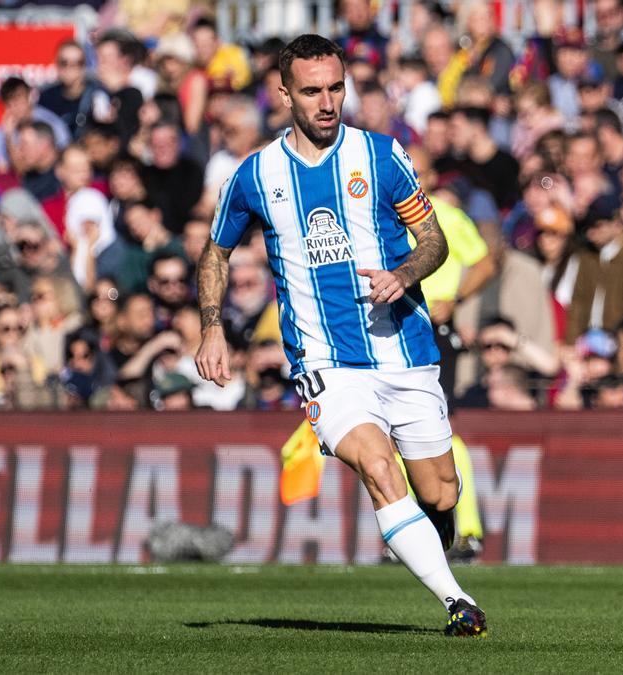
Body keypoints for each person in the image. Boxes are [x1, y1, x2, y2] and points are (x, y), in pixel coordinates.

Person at [194, 34, 486, 637]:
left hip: (404, 350)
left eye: (336, 88)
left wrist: (405, 273)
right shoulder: (257, 174)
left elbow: (434, 240)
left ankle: (434, 531)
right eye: (311, 91)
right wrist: (212, 327)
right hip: (326, 361)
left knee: (440, 489)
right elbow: (216, 252)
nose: (327, 103)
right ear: (284, 94)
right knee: (379, 468)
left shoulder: (381, 155)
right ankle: (459, 603)